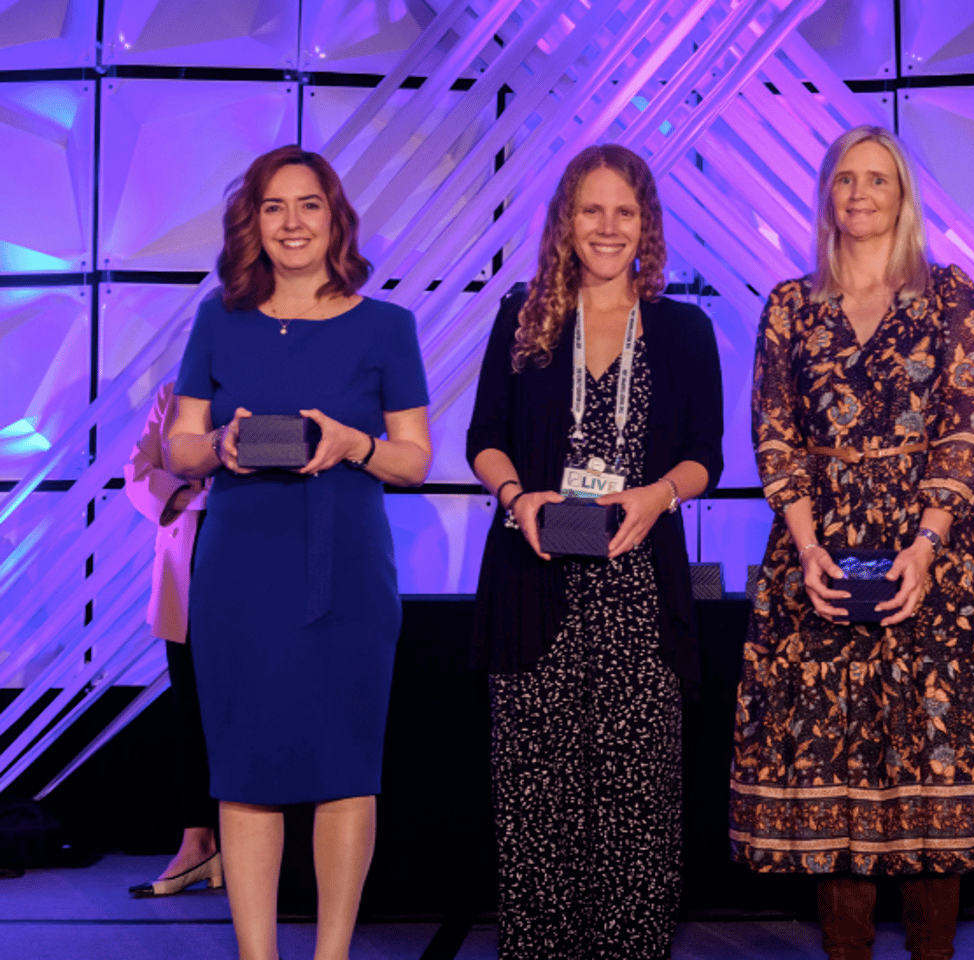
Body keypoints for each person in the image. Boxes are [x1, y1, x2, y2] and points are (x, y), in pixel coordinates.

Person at [729, 125, 974, 960]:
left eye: (878, 180)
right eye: (844, 180)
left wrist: (927, 543)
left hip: (931, 562)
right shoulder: (790, 304)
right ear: (826, 193)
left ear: (904, 197)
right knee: (839, 775)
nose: (859, 194)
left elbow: (969, 430)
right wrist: (805, 548)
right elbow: (774, 433)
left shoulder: (951, 296)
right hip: (818, 558)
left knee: (929, 774)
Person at [164, 145, 432, 960]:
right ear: (253, 221)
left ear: (334, 218)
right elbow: (178, 448)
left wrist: (355, 443)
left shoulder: (387, 325)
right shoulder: (220, 317)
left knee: (346, 770)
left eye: (308, 204)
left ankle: (332, 955)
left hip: (346, 572)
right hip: (240, 574)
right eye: (274, 206)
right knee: (244, 773)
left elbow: (415, 460)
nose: (291, 222)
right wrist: (221, 445)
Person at [466, 143, 723, 959]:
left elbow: (706, 455)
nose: (607, 227)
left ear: (645, 223)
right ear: (564, 222)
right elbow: (484, 440)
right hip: (532, 586)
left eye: (624, 211)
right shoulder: (524, 318)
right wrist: (519, 498)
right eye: (591, 210)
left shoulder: (683, 329)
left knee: (637, 817)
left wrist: (656, 495)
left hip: (640, 599)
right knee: (536, 812)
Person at [123, 381, 221, 897]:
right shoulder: (175, 391)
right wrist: (184, 494)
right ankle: (198, 842)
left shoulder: (277, 376)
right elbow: (137, 471)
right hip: (187, 552)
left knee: (251, 709)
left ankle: (249, 843)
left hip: (256, 553)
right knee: (191, 709)